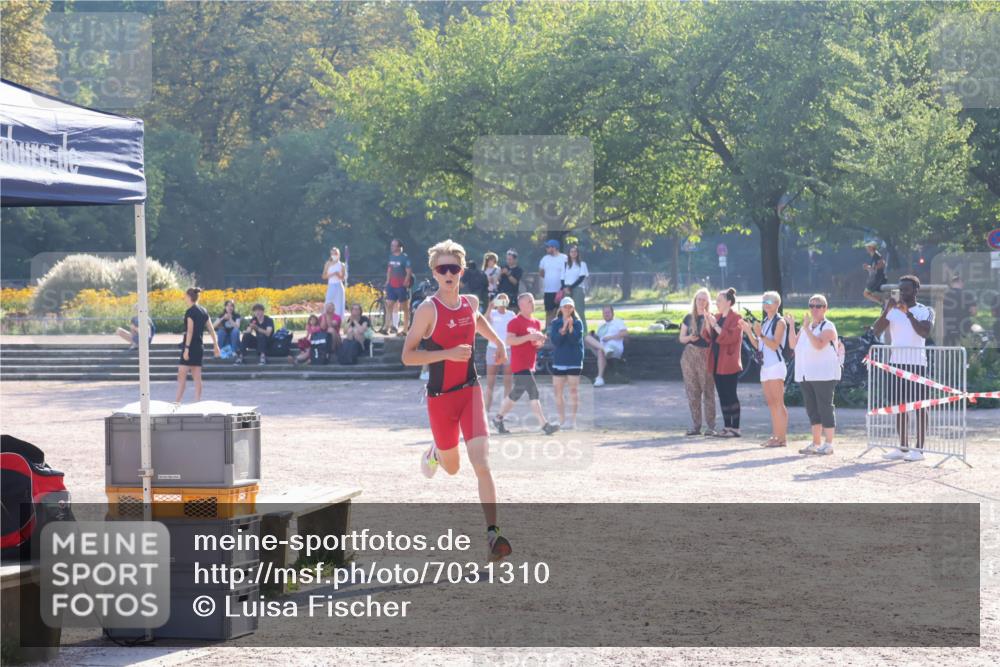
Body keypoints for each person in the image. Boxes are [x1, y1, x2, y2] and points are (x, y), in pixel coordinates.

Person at [400, 239, 513, 562]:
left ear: (462, 270)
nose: (448, 274)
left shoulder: (470, 302)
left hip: (469, 391)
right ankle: (436, 450)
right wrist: (447, 354)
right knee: (452, 468)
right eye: (442, 269)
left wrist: (497, 342)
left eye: (453, 268)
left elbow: (476, 320)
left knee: (482, 463)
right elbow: (407, 356)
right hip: (440, 400)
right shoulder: (427, 310)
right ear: (434, 273)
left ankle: (493, 535)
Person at [873, 275, 935, 462]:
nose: (902, 293)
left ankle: (919, 449)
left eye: (906, 289)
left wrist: (907, 312)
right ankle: (903, 446)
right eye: (901, 289)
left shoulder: (926, 310)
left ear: (916, 290)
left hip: (917, 364)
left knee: (919, 406)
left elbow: (924, 331)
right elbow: (876, 330)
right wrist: (887, 309)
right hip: (896, 364)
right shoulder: (893, 311)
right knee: (900, 405)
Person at [493, 293, 560, 436]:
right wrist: (529, 337)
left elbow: (534, 344)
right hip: (520, 364)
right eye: (529, 301)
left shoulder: (536, 323)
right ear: (521, 305)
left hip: (530, 364)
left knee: (515, 394)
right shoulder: (515, 322)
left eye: (533, 301)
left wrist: (539, 341)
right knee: (534, 392)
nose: (532, 303)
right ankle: (545, 425)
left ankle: (498, 418)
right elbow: (510, 341)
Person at [786, 295, 841, 456]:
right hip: (806, 374)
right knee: (812, 409)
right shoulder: (806, 327)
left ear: (825, 308)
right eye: (812, 306)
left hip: (823, 374)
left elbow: (818, 345)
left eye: (818, 306)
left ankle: (829, 443)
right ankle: (816, 443)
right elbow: (792, 345)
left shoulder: (828, 326)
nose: (814, 309)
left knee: (825, 408)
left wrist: (807, 329)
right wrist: (791, 326)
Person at [701, 288, 744, 438]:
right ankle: (727, 427)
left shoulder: (737, 318)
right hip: (716, 361)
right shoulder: (717, 317)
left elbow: (731, 338)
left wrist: (715, 326)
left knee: (731, 394)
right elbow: (708, 337)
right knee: (722, 395)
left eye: (719, 300)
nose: (716, 303)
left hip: (729, 362)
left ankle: (736, 428)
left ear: (728, 302)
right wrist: (708, 323)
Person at [752, 291, 789, 447]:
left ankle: (782, 438)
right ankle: (775, 436)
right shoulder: (766, 321)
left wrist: (760, 334)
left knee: (778, 403)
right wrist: (749, 331)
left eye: (769, 301)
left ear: (777, 304)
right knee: (771, 403)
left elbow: (774, 345)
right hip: (765, 367)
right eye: (764, 301)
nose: (766, 304)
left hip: (775, 365)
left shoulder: (780, 322)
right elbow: (759, 345)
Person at [678, 288, 716, 436]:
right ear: (695, 301)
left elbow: (712, 336)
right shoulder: (688, 317)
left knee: (708, 391)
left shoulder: (711, 317)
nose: (701, 302)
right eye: (699, 299)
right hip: (690, 354)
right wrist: (689, 338)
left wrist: (707, 319)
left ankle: (711, 426)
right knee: (692, 391)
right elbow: (681, 338)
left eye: (704, 299)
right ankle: (696, 425)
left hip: (706, 354)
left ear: (708, 302)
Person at [174, 288, 220, 403]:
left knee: (181, 375)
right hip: (199, 347)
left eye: (185, 296)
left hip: (190, 347)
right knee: (197, 377)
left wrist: (186, 349)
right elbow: (212, 330)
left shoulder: (190, 312)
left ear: (189, 297)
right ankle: (197, 401)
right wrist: (216, 345)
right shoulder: (204, 311)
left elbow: (189, 331)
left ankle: (177, 402)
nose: (184, 298)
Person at [549, 296, 584, 430]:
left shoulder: (578, 323)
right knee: (558, 391)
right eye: (565, 306)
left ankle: (572, 420)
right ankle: (562, 420)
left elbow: (575, 340)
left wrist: (570, 328)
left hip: (574, 360)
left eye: (570, 306)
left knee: (573, 391)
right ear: (561, 308)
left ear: (573, 308)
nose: (567, 309)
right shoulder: (555, 322)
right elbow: (556, 341)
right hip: (560, 360)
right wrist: (563, 329)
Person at [484, 293, 515, 414]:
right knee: (490, 382)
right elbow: (484, 322)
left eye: (504, 301)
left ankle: (504, 411)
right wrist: (490, 307)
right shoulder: (492, 313)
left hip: (508, 349)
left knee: (508, 381)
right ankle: (486, 410)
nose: (502, 303)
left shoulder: (511, 314)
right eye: (500, 301)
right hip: (492, 349)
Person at [583, 305, 628, 387]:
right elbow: (599, 338)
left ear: (612, 313)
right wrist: (592, 335)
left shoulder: (618, 321)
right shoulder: (601, 325)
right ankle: (604, 349)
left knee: (600, 351)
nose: (606, 314)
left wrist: (610, 337)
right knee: (586, 337)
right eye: (604, 313)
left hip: (614, 349)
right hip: (603, 349)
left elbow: (624, 333)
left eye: (608, 312)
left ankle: (600, 377)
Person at [384, 239, 412, 335]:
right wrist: (387, 282)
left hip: (401, 286)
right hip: (391, 285)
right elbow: (389, 270)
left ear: (399, 247)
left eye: (394, 245)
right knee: (389, 305)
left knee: (405, 308)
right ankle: (387, 327)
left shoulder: (405, 258)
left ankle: (404, 330)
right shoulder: (391, 257)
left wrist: (405, 282)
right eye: (391, 245)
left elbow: (408, 272)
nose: (392, 247)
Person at [942, 273, 977, 346]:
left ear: (951, 283)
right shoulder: (968, 294)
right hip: (964, 328)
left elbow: (938, 311)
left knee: (948, 352)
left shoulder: (943, 295)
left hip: (947, 328)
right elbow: (974, 312)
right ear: (960, 282)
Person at [538, 239, 566, 326]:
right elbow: (541, 273)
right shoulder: (544, 259)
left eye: (548, 247)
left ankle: (561, 330)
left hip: (560, 290)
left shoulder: (564, 258)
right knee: (549, 312)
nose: (546, 249)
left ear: (554, 248)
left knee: (561, 312)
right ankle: (548, 330)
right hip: (548, 290)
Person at [562, 245, 589, 334]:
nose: (573, 253)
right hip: (567, 289)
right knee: (566, 311)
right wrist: (564, 288)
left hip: (578, 288)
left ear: (577, 253)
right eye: (571, 251)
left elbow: (581, 278)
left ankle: (583, 331)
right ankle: (567, 329)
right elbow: (562, 278)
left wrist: (570, 287)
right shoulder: (565, 264)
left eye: (575, 251)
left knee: (579, 310)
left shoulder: (582, 264)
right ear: (569, 253)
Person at [323, 246, 347, 317]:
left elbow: (343, 278)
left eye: (336, 254)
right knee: (328, 302)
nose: (334, 255)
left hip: (339, 285)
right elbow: (324, 276)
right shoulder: (328, 264)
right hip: (331, 285)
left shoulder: (342, 265)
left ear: (339, 255)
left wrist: (338, 275)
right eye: (333, 254)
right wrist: (332, 274)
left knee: (339, 304)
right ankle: (326, 319)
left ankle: (339, 320)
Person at [862, 241, 887, 305]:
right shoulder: (874, 256)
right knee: (869, 293)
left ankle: (882, 303)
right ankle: (882, 302)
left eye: (867, 247)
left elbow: (883, 264)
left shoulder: (877, 255)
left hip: (877, 279)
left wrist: (871, 268)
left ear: (871, 248)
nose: (866, 248)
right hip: (876, 278)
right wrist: (868, 267)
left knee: (866, 293)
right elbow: (874, 268)